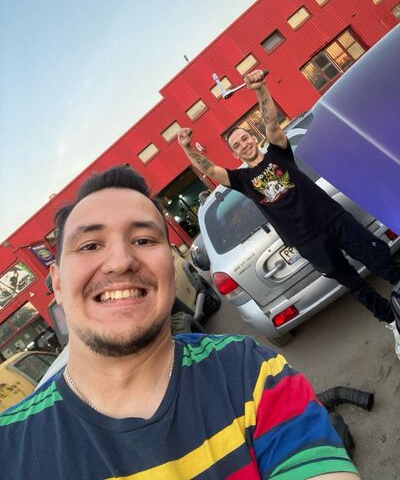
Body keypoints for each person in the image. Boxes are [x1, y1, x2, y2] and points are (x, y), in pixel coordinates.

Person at [0, 165, 359, 479]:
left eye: (143, 240)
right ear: (57, 283)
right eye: (90, 245)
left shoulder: (250, 372)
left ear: (172, 270)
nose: (121, 261)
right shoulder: (10, 447)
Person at [178, 69, 400, 359]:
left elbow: (271, 123)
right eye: (236, 145)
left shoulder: (278, 152)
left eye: (244, 138)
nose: (243, 144)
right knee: (354, 285)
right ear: (235, 154)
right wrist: (187, 148)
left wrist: (260, 89)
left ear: (253, 138)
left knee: (380, 258)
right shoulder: (242, 180)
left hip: (333, 219)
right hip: (309, 243)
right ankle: (393, 322)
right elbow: (209, 169)